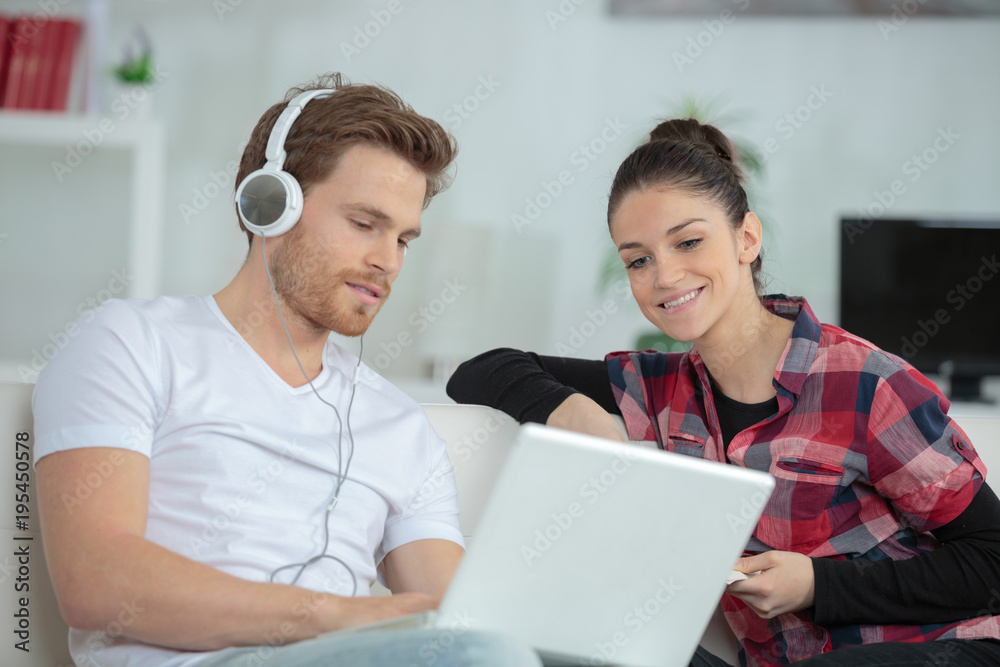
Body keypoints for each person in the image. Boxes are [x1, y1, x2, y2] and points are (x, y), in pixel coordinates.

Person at [446, 118, 1000, 666]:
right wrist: (567, 410)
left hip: (940, 648)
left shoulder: (864, 382)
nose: (664, 276)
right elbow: (481, 370)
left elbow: (992, 562)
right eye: (638, 259)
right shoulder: (654, 388)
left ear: (747, 238)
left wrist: (818, 585)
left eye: (688, 242)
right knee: (574, 642)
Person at [33, 73, 540, 667]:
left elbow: (461, 616)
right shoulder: (130, 342)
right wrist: (333, 617)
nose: (387, 261)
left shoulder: (400, 427)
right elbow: (96, 581)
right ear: (271, 204)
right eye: (364, 223)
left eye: (404, 239)